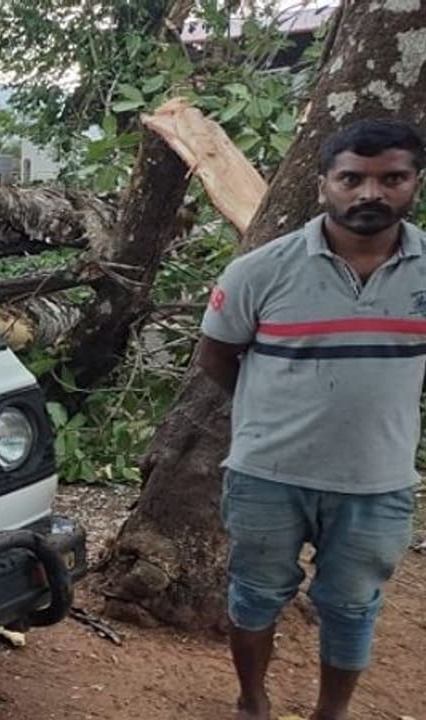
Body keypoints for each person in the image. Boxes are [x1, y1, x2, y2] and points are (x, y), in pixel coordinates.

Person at [198, 119, 424, 720]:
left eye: (392, 178)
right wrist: (272, 417)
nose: (370, 194)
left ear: (414, 183)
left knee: (353, 606)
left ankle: (332, 714)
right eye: (352, 178)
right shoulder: (260, 270)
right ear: (324, 184)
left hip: (377, 482)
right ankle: (253, 704)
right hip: (267, 474)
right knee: (253, 597)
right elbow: (217, 355)